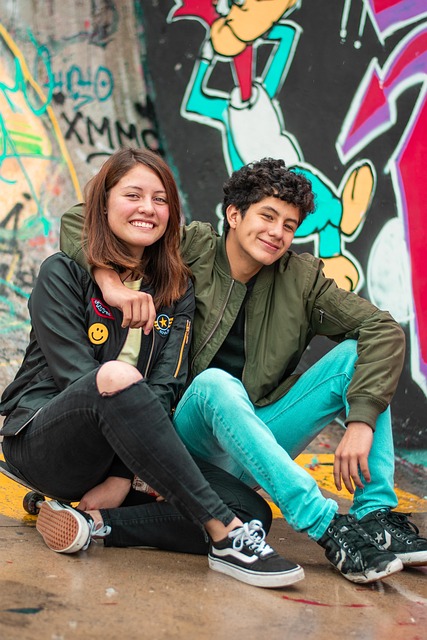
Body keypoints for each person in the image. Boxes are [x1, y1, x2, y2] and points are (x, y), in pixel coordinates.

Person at [59, 156, 427, 585]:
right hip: (180, 436)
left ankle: (376, 517)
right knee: (215, 384)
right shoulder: (191, 248)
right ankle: (326, 526)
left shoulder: (301, 280)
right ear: (234, 215)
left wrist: (361, 421)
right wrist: (110, 284)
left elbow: (382, 330)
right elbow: (79, 219)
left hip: (249, 440)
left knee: (356, 356)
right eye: (267, 216)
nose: (277, 232)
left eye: (289, 225)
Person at [0, 148, 306, 589]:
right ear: (104, 204)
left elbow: (165, 387)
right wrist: (128, 470)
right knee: (115, 378)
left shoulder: (177, 291)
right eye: (133, 195)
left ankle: (93, 524)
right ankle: (226, 538)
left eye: (160, 199)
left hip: (122, 453)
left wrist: (125, 476)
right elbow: (78, 380)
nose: (147, 208)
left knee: (252, 510)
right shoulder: (62, 273)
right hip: (46, 442)